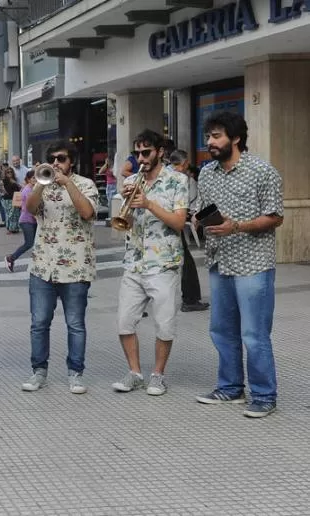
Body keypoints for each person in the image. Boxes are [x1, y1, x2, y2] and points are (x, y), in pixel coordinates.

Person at [194, 111, 284, 418]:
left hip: (254, 263)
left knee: (254, 333)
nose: (210, 142)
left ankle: (263, 395)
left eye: (217, 136)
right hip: (220, 261)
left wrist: (237, 226)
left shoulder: (262, 171)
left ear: (235, 138)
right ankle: (230, 388)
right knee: (221, 330)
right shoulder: (206, 173)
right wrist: (198, 219)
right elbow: (201, 208)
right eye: (208, 136)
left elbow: (275, 217)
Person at [109, 130, 189, 396]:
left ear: (160, 152)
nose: (141, 158)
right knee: (124, 322)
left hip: (163, 262)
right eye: (138, 153)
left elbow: (179, 222)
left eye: (146, 153)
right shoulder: (132, 180)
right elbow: (124, 224)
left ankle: (158, 375)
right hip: (134, 262)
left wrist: (150, 204)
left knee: (164, 324)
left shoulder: (177, 180)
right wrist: (129, 208)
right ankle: (134, 372)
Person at [21, 140, 99, 394]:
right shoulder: (41, 184)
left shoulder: (85, 184)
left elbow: (87, 212)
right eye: (52, 158)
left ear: (71, 162)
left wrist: (67, 183)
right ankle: (38, 372)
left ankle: (75, 373)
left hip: (76, 267)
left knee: (75, 323)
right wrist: (39, 185)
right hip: (43, 265)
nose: (56, 163)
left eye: (62, 158)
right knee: (39, 322)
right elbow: (30, 210)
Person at [168, 149, 209, 312]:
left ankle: (190, 298)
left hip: (167, 224)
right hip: (174, 224)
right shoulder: (180, 178)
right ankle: (190, 299)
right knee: (186, 264)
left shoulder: (163, 175)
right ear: (184, 163)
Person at [5, 170, 37, 271]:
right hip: (26, 221)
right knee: (29, 243)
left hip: (32, 221)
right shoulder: (28, 190)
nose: (35, 180)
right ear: (28, 179)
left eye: (36, 178)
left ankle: (38, 263)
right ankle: (11, 258)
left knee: (37, 243)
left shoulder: (34, 189)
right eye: (33, 178)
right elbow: (30, 208)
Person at [2, 166, 22, 233]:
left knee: (15, 214)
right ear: (5, 173)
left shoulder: (15, 180)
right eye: (8, 172)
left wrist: (14, 182)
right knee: (9, 214)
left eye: (11, 172)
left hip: (16, 198)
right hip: (7, 199)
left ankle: (15, 228)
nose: (9, 173)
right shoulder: (4, 180)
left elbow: (20, 188)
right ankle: (10, 228)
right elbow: (2, 190)